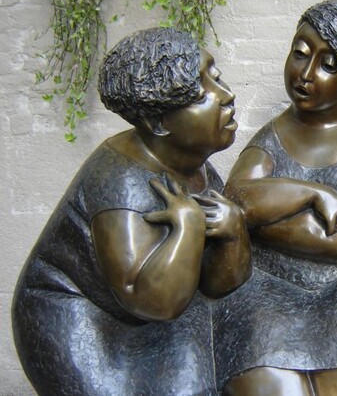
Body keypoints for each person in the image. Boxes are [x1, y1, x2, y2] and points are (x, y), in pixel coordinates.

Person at [12, 27, 251, 396]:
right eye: (201, 95)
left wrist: (233, 233)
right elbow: (152, 301)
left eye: (216, 77)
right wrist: (189, 225)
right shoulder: (119, 183)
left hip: (152, 311)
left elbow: (217, 285)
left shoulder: (191, 163)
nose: (226, 95)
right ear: (157, 123)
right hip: (80, 325)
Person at [219, 0, 337, 396]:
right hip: (268, 283)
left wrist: (263, 216)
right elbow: (236, 197)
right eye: (300, 53)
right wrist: (311, 194)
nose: (305, 74)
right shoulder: (272, 137)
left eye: (329, 65)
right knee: (269, 385)